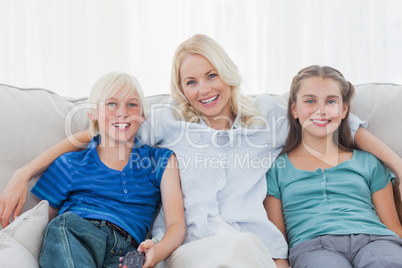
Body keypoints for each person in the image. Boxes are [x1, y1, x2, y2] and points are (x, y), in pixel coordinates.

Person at [1, 35, 402, 267]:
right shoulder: (167, 121)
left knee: (244, 250)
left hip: (253, 242)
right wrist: (24, 173)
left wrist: (397, 164)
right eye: (191, 81)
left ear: (228, 75)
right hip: (189, 245)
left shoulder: (265, 117)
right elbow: (100, 131)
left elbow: (340, 123)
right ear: (181, 88)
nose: (204, 89)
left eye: (211, 75)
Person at [31, 71, 186, 267]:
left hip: (128, 250)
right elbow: (44, 224)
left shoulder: (161, 161)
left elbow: (177, 224)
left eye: (132, 104)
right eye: (112, 104)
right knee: (63, 227)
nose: (122, 112)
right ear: (93, 114)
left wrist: (158, 250)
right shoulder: (69, 163)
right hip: (77, 231)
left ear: (143, 115)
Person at [265, 65, 402, 268]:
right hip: (313, 248)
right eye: (310, 101)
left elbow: (393, 227)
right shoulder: (276, 169)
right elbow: (277, 244)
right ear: (294, 109)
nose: (321, 110)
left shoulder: (369, 162)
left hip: (376, 240)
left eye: (331, 101)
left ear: (344, 109)